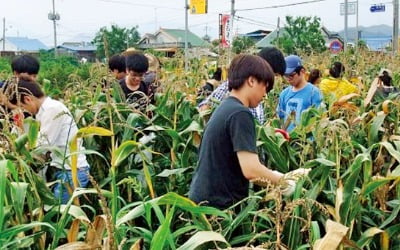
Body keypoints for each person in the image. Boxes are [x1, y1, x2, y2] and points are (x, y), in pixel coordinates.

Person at [189, 54, 309, 210]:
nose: (265, 94)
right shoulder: (240, 114)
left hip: (203, 201)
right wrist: (284, 182)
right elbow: (252, 170)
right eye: (265, 86)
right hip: (217, 207)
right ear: (251, 81)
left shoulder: (226, 107)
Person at [8, 80, 90, 203]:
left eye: (22, 107)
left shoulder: (52, 109)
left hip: (72, 172)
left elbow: (43, 145)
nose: (25, 111)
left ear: (28, 99)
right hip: (63, 170)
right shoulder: (44, 111)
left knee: (59, 215)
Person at [198, 47, 286, 124]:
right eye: (274, 76)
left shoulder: (257, 95)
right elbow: (204, 109)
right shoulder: (232, 88)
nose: (273, 81)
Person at [277, 55, 322, 132]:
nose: (288, 79)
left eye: (291, 75)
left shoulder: (313, 93)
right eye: (285, 75)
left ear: (302, 72)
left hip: (305, 141)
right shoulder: (284, 94)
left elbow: (319, 119)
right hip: (288, 141)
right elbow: (281, 117)